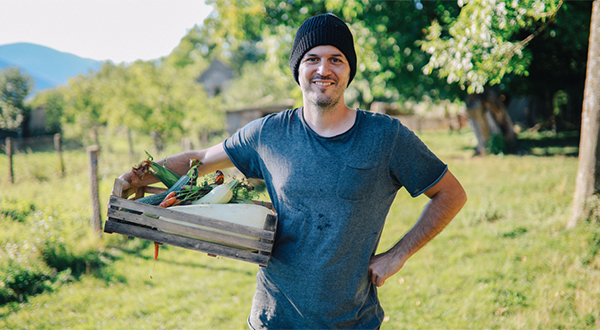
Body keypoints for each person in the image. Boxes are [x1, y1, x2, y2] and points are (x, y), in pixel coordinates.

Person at [117, 13, 467, 330]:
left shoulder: (385, 137)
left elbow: (451, 193)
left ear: (349, 69)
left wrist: (398, 254)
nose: (323, 70)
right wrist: (140, 175)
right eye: (312, 59)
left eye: (336, 59)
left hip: (351, 321)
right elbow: (200, 159)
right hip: (272, 319)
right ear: (298, 69)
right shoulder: (267, 134)